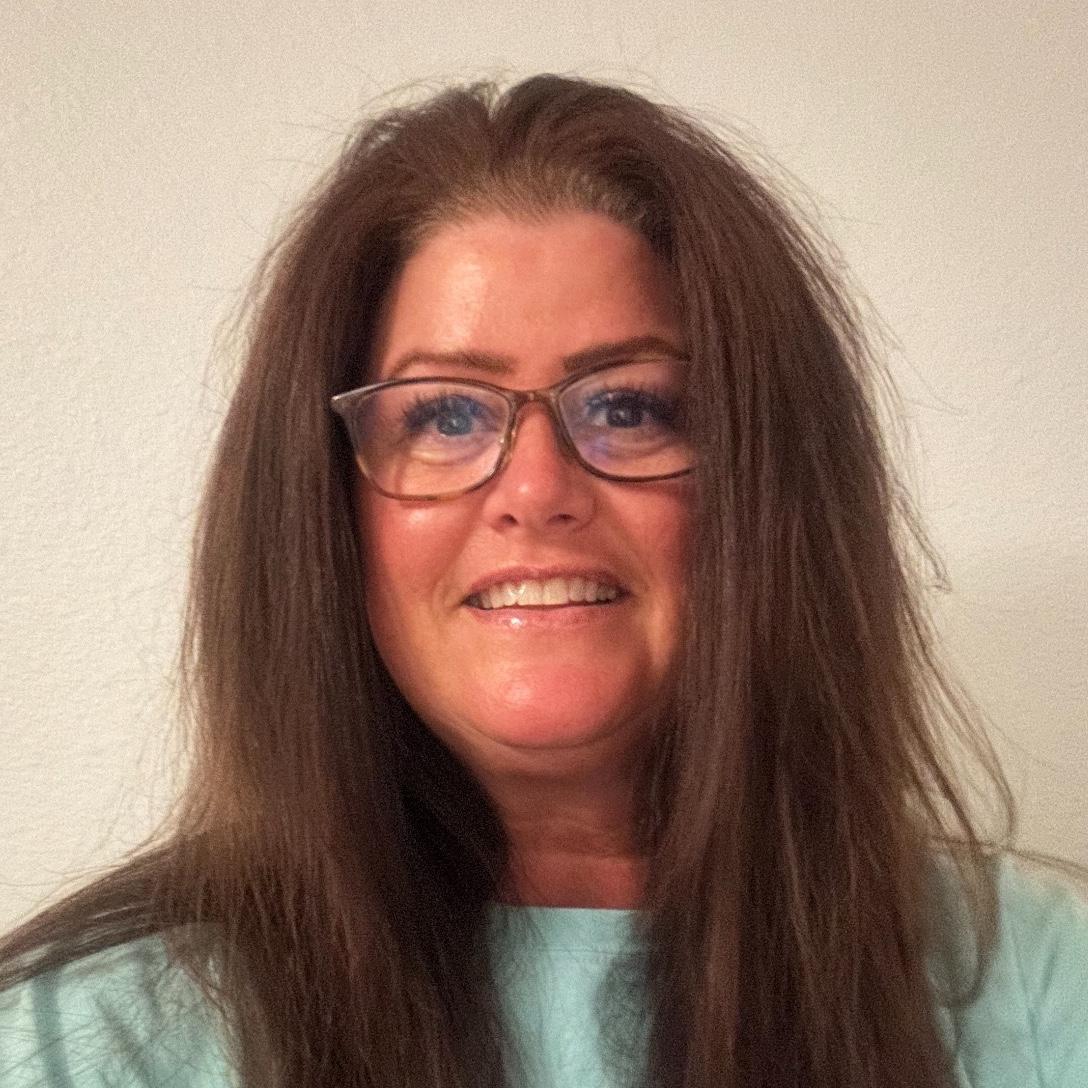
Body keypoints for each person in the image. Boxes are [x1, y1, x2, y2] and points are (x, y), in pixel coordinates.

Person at [1, 74, 1085, 1088]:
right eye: (442, 415)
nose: (534, 490)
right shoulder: (86, 1040)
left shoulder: (1041, 979)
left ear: (773, 493)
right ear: (317, 516)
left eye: (631, 407)